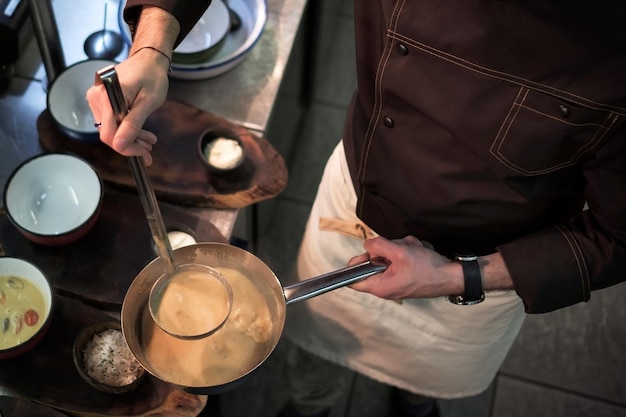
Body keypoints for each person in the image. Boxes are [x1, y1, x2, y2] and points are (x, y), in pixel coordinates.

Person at [87, 1, 626, 417]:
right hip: (354, 206)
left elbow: (615, 236)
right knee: (314, 350)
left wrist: (460, 275)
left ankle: (415, 403)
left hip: (482, 269)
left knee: (422, 381)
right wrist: (153, 47)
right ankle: (310, 403)